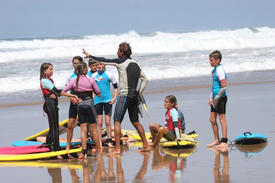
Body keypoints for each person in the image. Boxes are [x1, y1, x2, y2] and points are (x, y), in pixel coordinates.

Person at [82, 42, 150, 154]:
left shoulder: (120, 61)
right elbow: (145, 79)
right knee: (135, 121)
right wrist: (139, 92)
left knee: (117, 121)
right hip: (134, 96)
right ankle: (146, 145)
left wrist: (90, 56)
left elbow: (104, 60)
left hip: (124, 95)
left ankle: (118, 149)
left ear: (122, 53)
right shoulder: (136, 64)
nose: (117, 52)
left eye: (118, 51)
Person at [62, 62, 102, 158]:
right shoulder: (91, 80)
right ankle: (99, 151)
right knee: (93, 130)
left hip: (80, 106)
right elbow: (98, 93)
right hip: (89, 106)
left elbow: (63, 92)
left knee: (83, 130)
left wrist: (73, 95)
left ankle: (84, 153)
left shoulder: (74, 80)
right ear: (85, 70)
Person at [40, 63, 78, 159]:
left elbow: (54, 93)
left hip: (52, 104)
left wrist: (54, 95)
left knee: (53, 127)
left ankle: (48, 145)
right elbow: (56, 91)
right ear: (45, 71)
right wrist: (71, 95)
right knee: (55, 127)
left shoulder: (49, 80)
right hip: (49, 104)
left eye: (52, 69)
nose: (52, 71)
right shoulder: (44, 80)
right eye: (50, 69)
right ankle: (57, 150)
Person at [91, 62, 118, 147]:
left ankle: (109, 140)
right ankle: (99, 141)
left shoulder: (109, 74)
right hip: (97, 101)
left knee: (107, 122)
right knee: (99, 122)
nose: (99, 66)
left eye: (101, 64)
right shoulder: (93, 75)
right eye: (97, 65)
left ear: (105, 65)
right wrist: (93, 99)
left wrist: (114, 98)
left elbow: (116, 87)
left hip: (108, 100)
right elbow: (92, 89)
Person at [208, 50, 228, 148]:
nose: (210, 62)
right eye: (209, 60)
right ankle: (217, 140)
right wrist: (211, 97)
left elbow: (224, 86)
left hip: (221, 98)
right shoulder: (214, 70)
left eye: (211, 60)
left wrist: (217, 98)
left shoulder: (220, 70)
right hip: (214, 98)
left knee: (221, 119)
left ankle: (224, 141)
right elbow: (213, 85)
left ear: (218, 60)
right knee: (212, 119)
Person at [65, 56, 83, 152]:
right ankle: (68, 146)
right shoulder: (70, 76)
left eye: (76, 63)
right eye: (73, 63)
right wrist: (71, 97)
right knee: (70, 125)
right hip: (73, 103)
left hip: (83, 103)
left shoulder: (86, 75)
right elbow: (66, 90)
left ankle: (83, 145)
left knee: (84, 125)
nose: (75, 65)